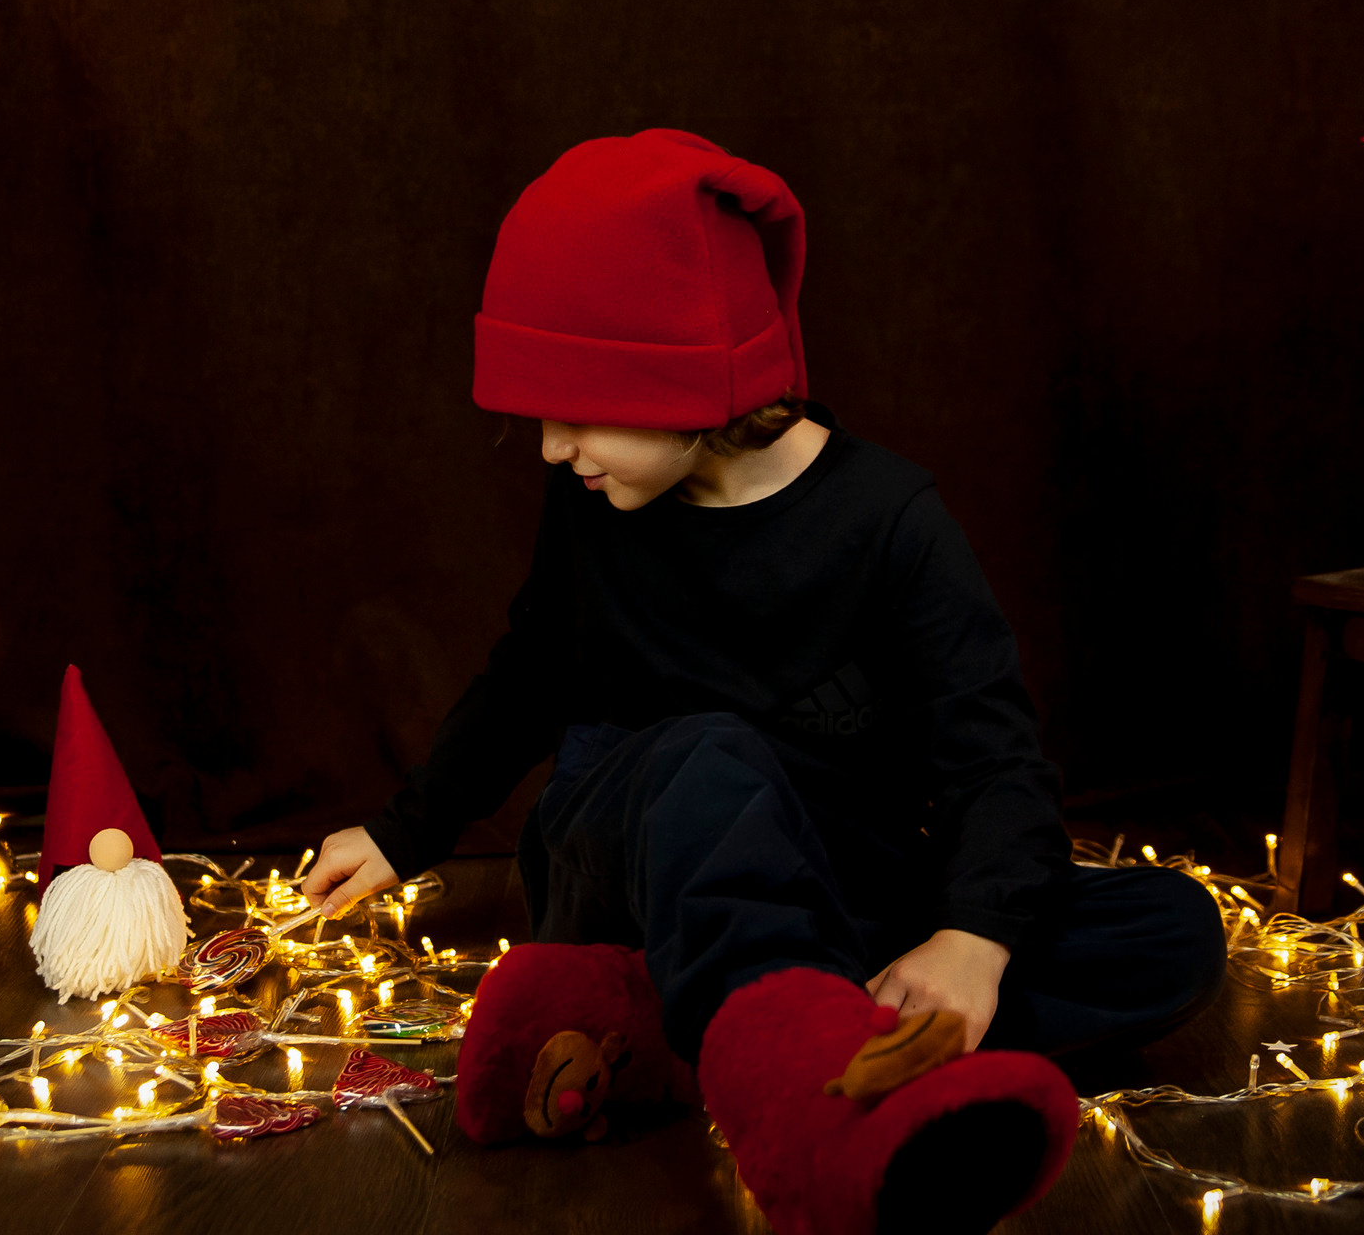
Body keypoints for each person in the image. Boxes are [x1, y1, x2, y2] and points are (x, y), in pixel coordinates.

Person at [299, 129, 1223, 1235]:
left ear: (693, 379)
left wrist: (970, 943)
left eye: (577, 413)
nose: (552, 451)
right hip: (630, 849)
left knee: (1169, 929)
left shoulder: (887, 521)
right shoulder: (597, 504)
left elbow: (992, 758)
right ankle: (804, 1108)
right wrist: (405, 830)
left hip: (828, 882)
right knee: (712, 751)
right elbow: (528, 674)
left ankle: (692, 1030)